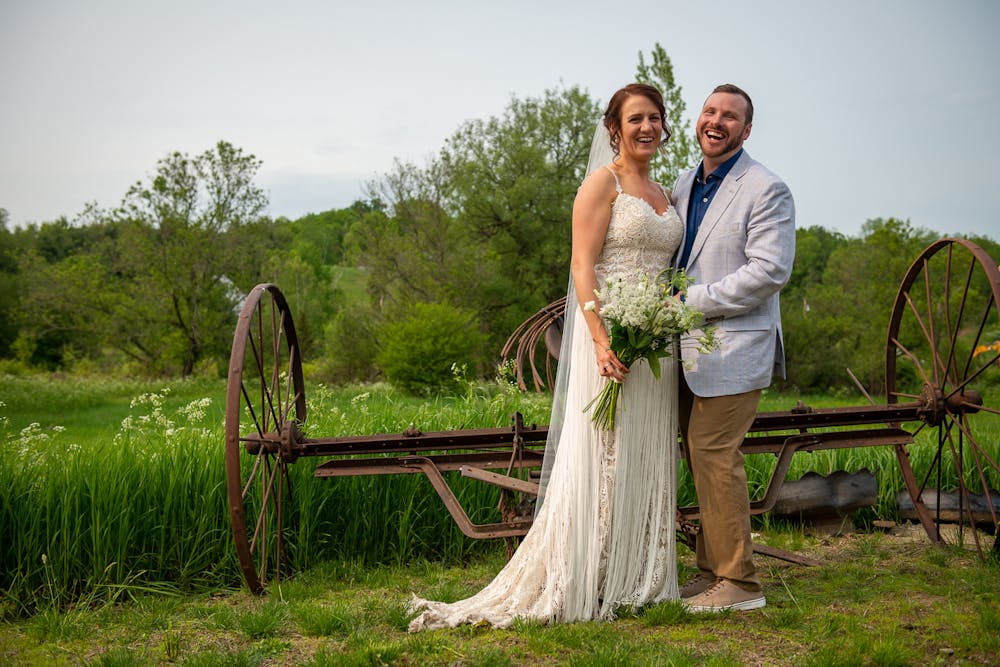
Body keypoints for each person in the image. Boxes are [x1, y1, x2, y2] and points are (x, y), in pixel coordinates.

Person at [408, 83, 684, 630]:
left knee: (645, 450)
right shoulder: (600, 185)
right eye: (636, 119)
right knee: (603, 453)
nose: (647, 127)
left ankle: (635, 576)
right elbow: (583, 266)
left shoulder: (663, 193)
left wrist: (663, 319)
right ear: (615, 128)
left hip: (654, 343)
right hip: (606, 337)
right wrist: (602, 340)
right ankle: (585, 573)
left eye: (655, 118)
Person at [672, 83, 796, 612]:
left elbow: (770, 270)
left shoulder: (766, 187)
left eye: (730, 117)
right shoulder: (682, 183)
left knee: (715, 454)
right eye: (709, 111)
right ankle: (711, 573)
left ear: (746, 131)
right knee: (699, 458)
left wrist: (690, 302)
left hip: (735, 347)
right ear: (699, 120)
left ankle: (741, 585)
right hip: (682, 350)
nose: (716, 122)